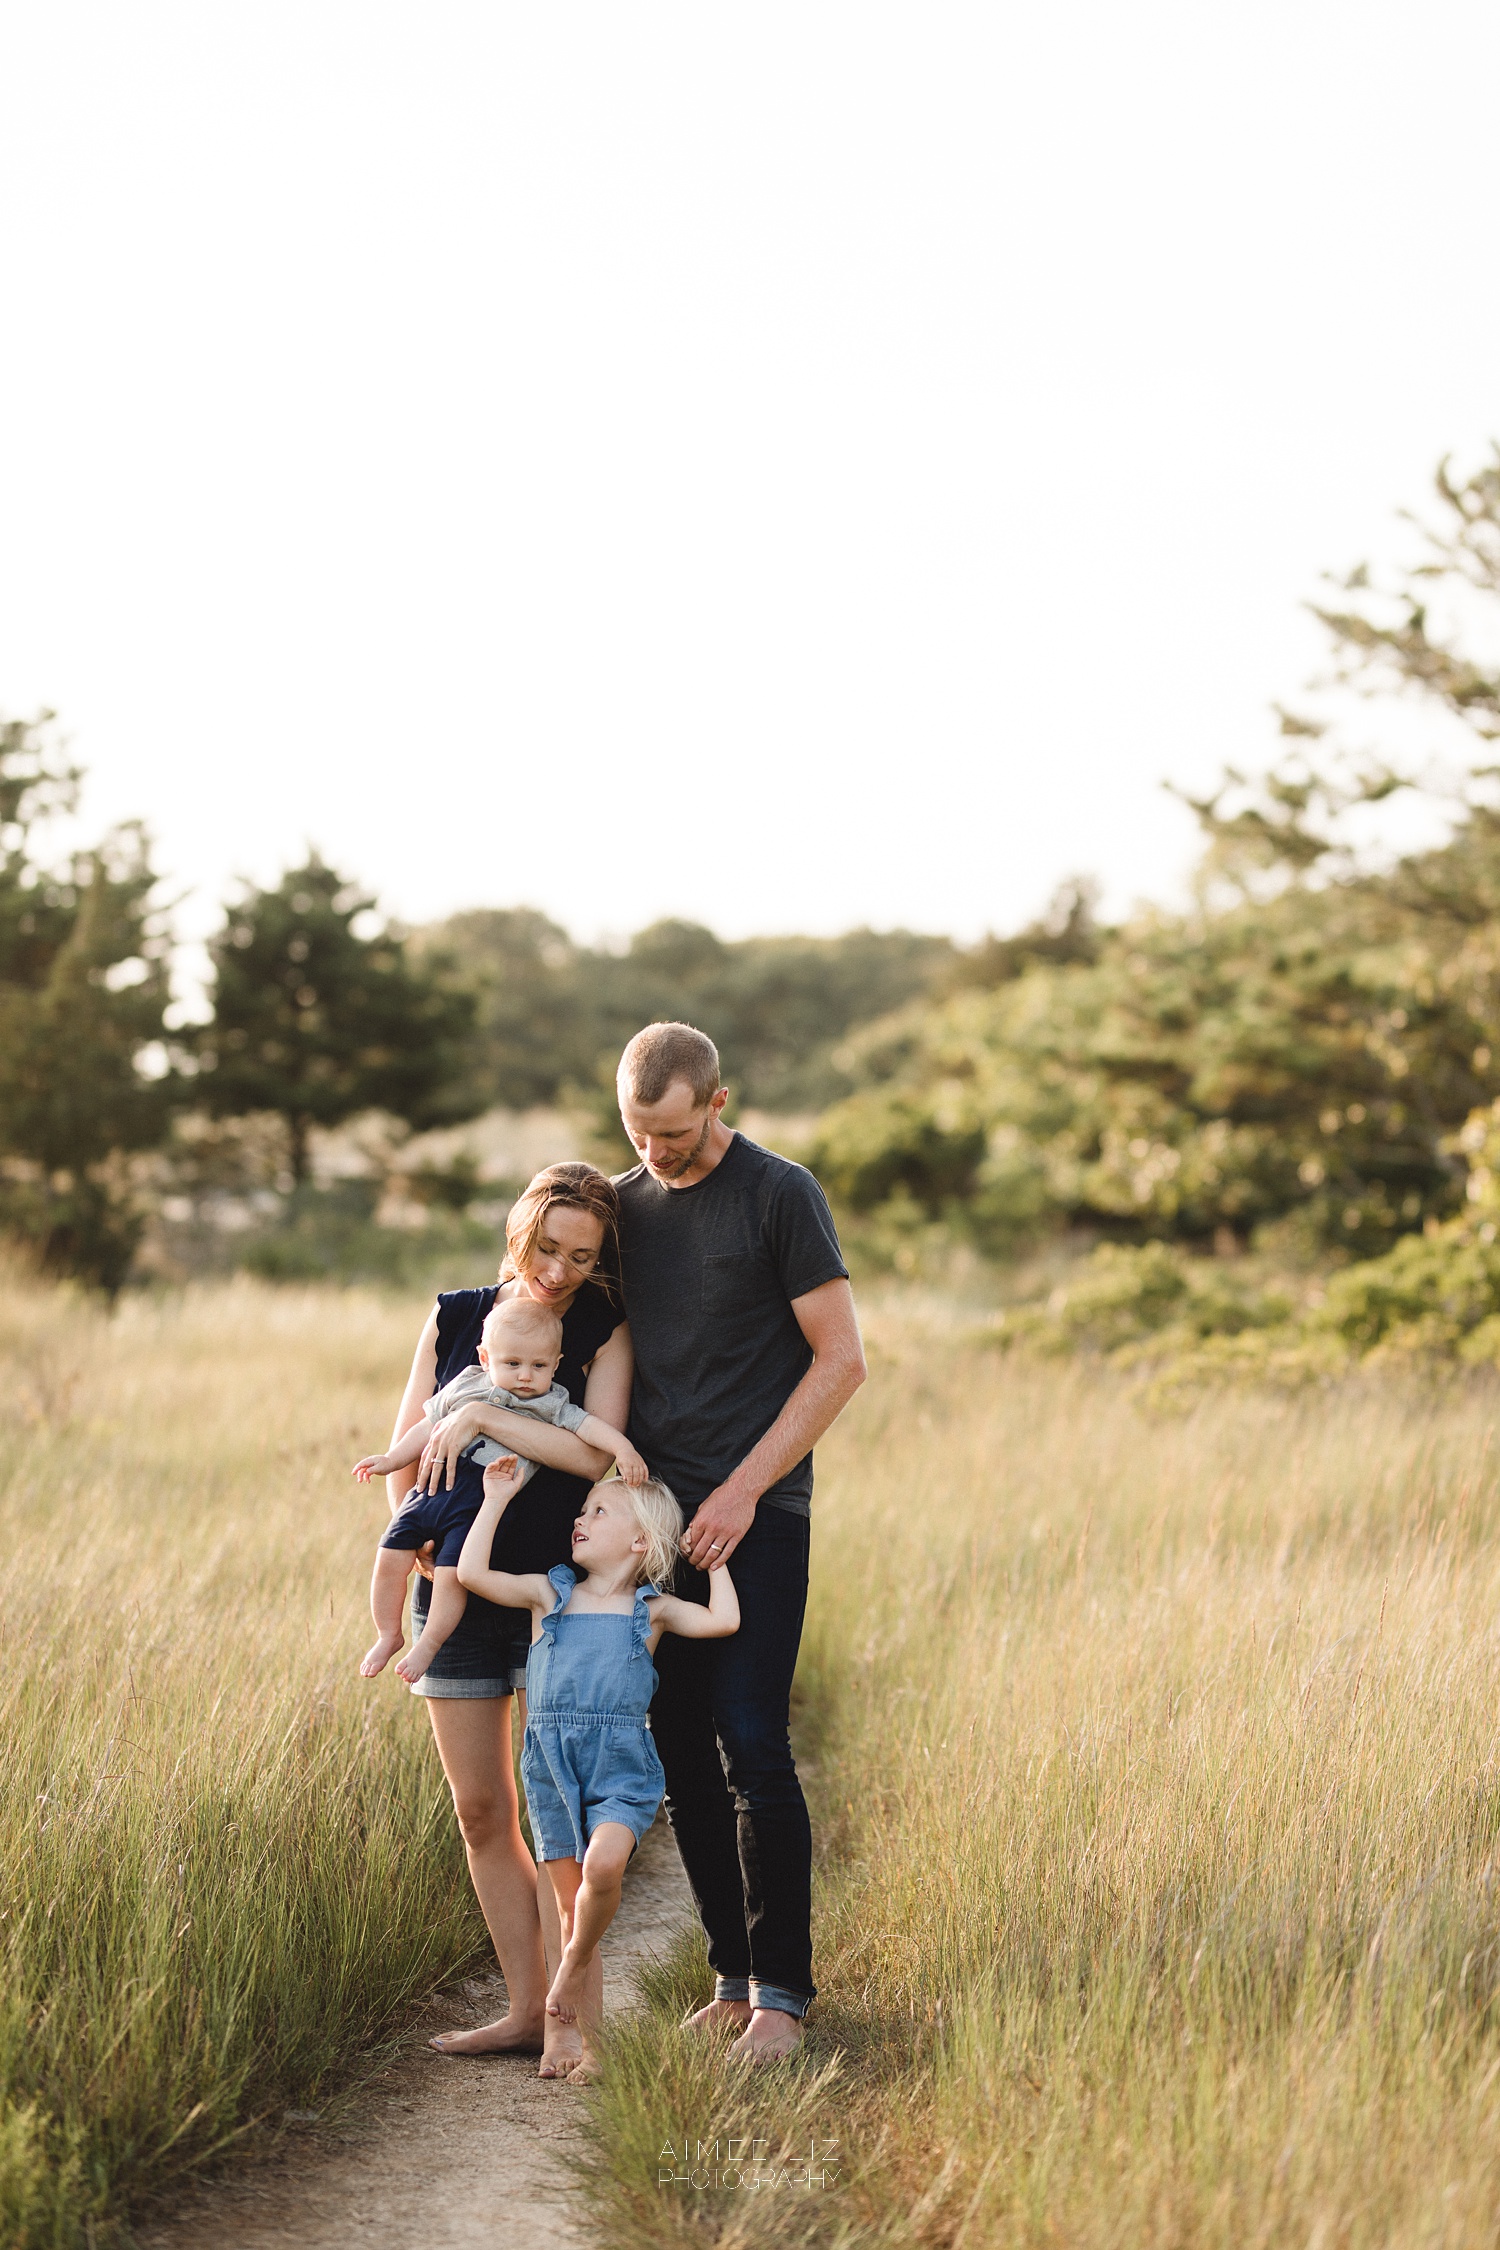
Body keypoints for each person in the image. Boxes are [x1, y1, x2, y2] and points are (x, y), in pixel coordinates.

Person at [613, 1021, 867, 2062]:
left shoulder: (780, 1194)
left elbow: (840, 1361)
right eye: (637, 1131)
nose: (654, 1155)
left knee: (752, 1741)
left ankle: (784, 1995)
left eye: (672, 1133)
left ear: (719, 1102)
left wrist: (744, 1491)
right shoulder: (622, 1205)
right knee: (675, 1743)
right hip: (649, 1526)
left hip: (757, 1516)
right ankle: (729, 1974)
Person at [378, 1161, 631, 2078]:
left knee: (561, 1809)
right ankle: (526, 2009)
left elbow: (588, 1457)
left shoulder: (602, 1331)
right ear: (518, 1231)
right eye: (545, 1248)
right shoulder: (455, 1317)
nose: (558, 1271)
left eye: (580, 1256)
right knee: (483, 1809)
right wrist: (405, 1551)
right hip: (452, 1585)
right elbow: (410, 1442)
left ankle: (576, 2025)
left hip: (557, 1597)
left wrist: (485, 1408)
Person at [456, 1458, 739, 2079]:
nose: (579, 1520)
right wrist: (495, 1499)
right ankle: (587, 2045)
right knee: (567, 1904)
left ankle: (568, 1971)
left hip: (620, 1766)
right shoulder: (548, 1593)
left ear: (641, 1541)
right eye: (582, 1512)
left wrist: (715, 1565)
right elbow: (472, 1572)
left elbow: (724, 1621)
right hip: (551, 1763)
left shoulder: (652, 1610)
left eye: (597, 1512)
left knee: (603, 1867)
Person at [354, 1294, 646, 1684]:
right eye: (513, 1364)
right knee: (390, 1558)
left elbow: (589, 1429)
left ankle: (428, 1643)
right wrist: (390, 1460)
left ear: (556, 1365)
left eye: (539, 1366)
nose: (525, 1376)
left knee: (451, 1576)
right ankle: (388, 1633)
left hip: (477, 1510)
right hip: (429, 1494)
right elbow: (426, 1428)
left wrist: (622, 1447)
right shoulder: (465, 1384)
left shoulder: (551, 1403)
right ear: (486, 1359)